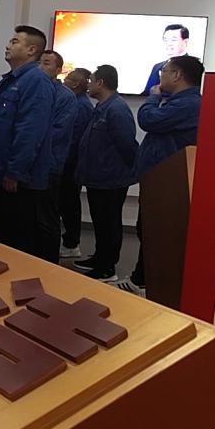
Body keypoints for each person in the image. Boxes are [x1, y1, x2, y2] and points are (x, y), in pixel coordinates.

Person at [117, 54, 204, 296]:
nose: (160, 76)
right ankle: (141, 279)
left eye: (163, 71)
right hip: (159, 179)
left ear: (177, 75)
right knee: (148, 229)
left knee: (155, 231)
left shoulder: (188, 104)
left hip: (167, 182)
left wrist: (153, 97)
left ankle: (145, 283)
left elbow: (148, 120)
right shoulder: (181, 101)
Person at [0, 26, 56, 261]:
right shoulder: (11, 80)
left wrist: (15, 171)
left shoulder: (36, 82)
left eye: (14, 41)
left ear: (31, 50)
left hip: (13, 180)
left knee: (15, 241)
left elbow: (30, 132)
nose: (7, 45)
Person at [73, 65, 138, 283]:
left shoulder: (117, 109)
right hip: (98, 177)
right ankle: (99, 258)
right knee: (100, 222)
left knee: (109, 223)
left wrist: (120, 172)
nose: (88, 85)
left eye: (91, 80)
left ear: (101, 83)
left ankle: (107, 268)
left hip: (111, 179)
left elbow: (127, 145)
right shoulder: (102, 107)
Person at [40, 49, 77, 258]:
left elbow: (57, 132)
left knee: (47, 217)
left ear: (58, 69)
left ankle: (49, 262)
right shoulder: (35, 90)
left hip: (49, 164)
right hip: (30, 163)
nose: (41, 67)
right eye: (39, 63)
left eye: (46, 63)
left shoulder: (65, 96)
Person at [58, 67, 95, 259]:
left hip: (70, 163)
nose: (64, 81)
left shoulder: (80, 106)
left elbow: (73, 139)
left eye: (68, 79)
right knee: (67, 202)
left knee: (69, 203)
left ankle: (71, 243)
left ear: (77, 84)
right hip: (69, 162)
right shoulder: (78, 103)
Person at [142, 23, 189, 95]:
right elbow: (146, 93)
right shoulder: (157, 66)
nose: (168, 44)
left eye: (173, 40)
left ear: (185, 42)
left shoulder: (192, 67)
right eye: (165, 40)